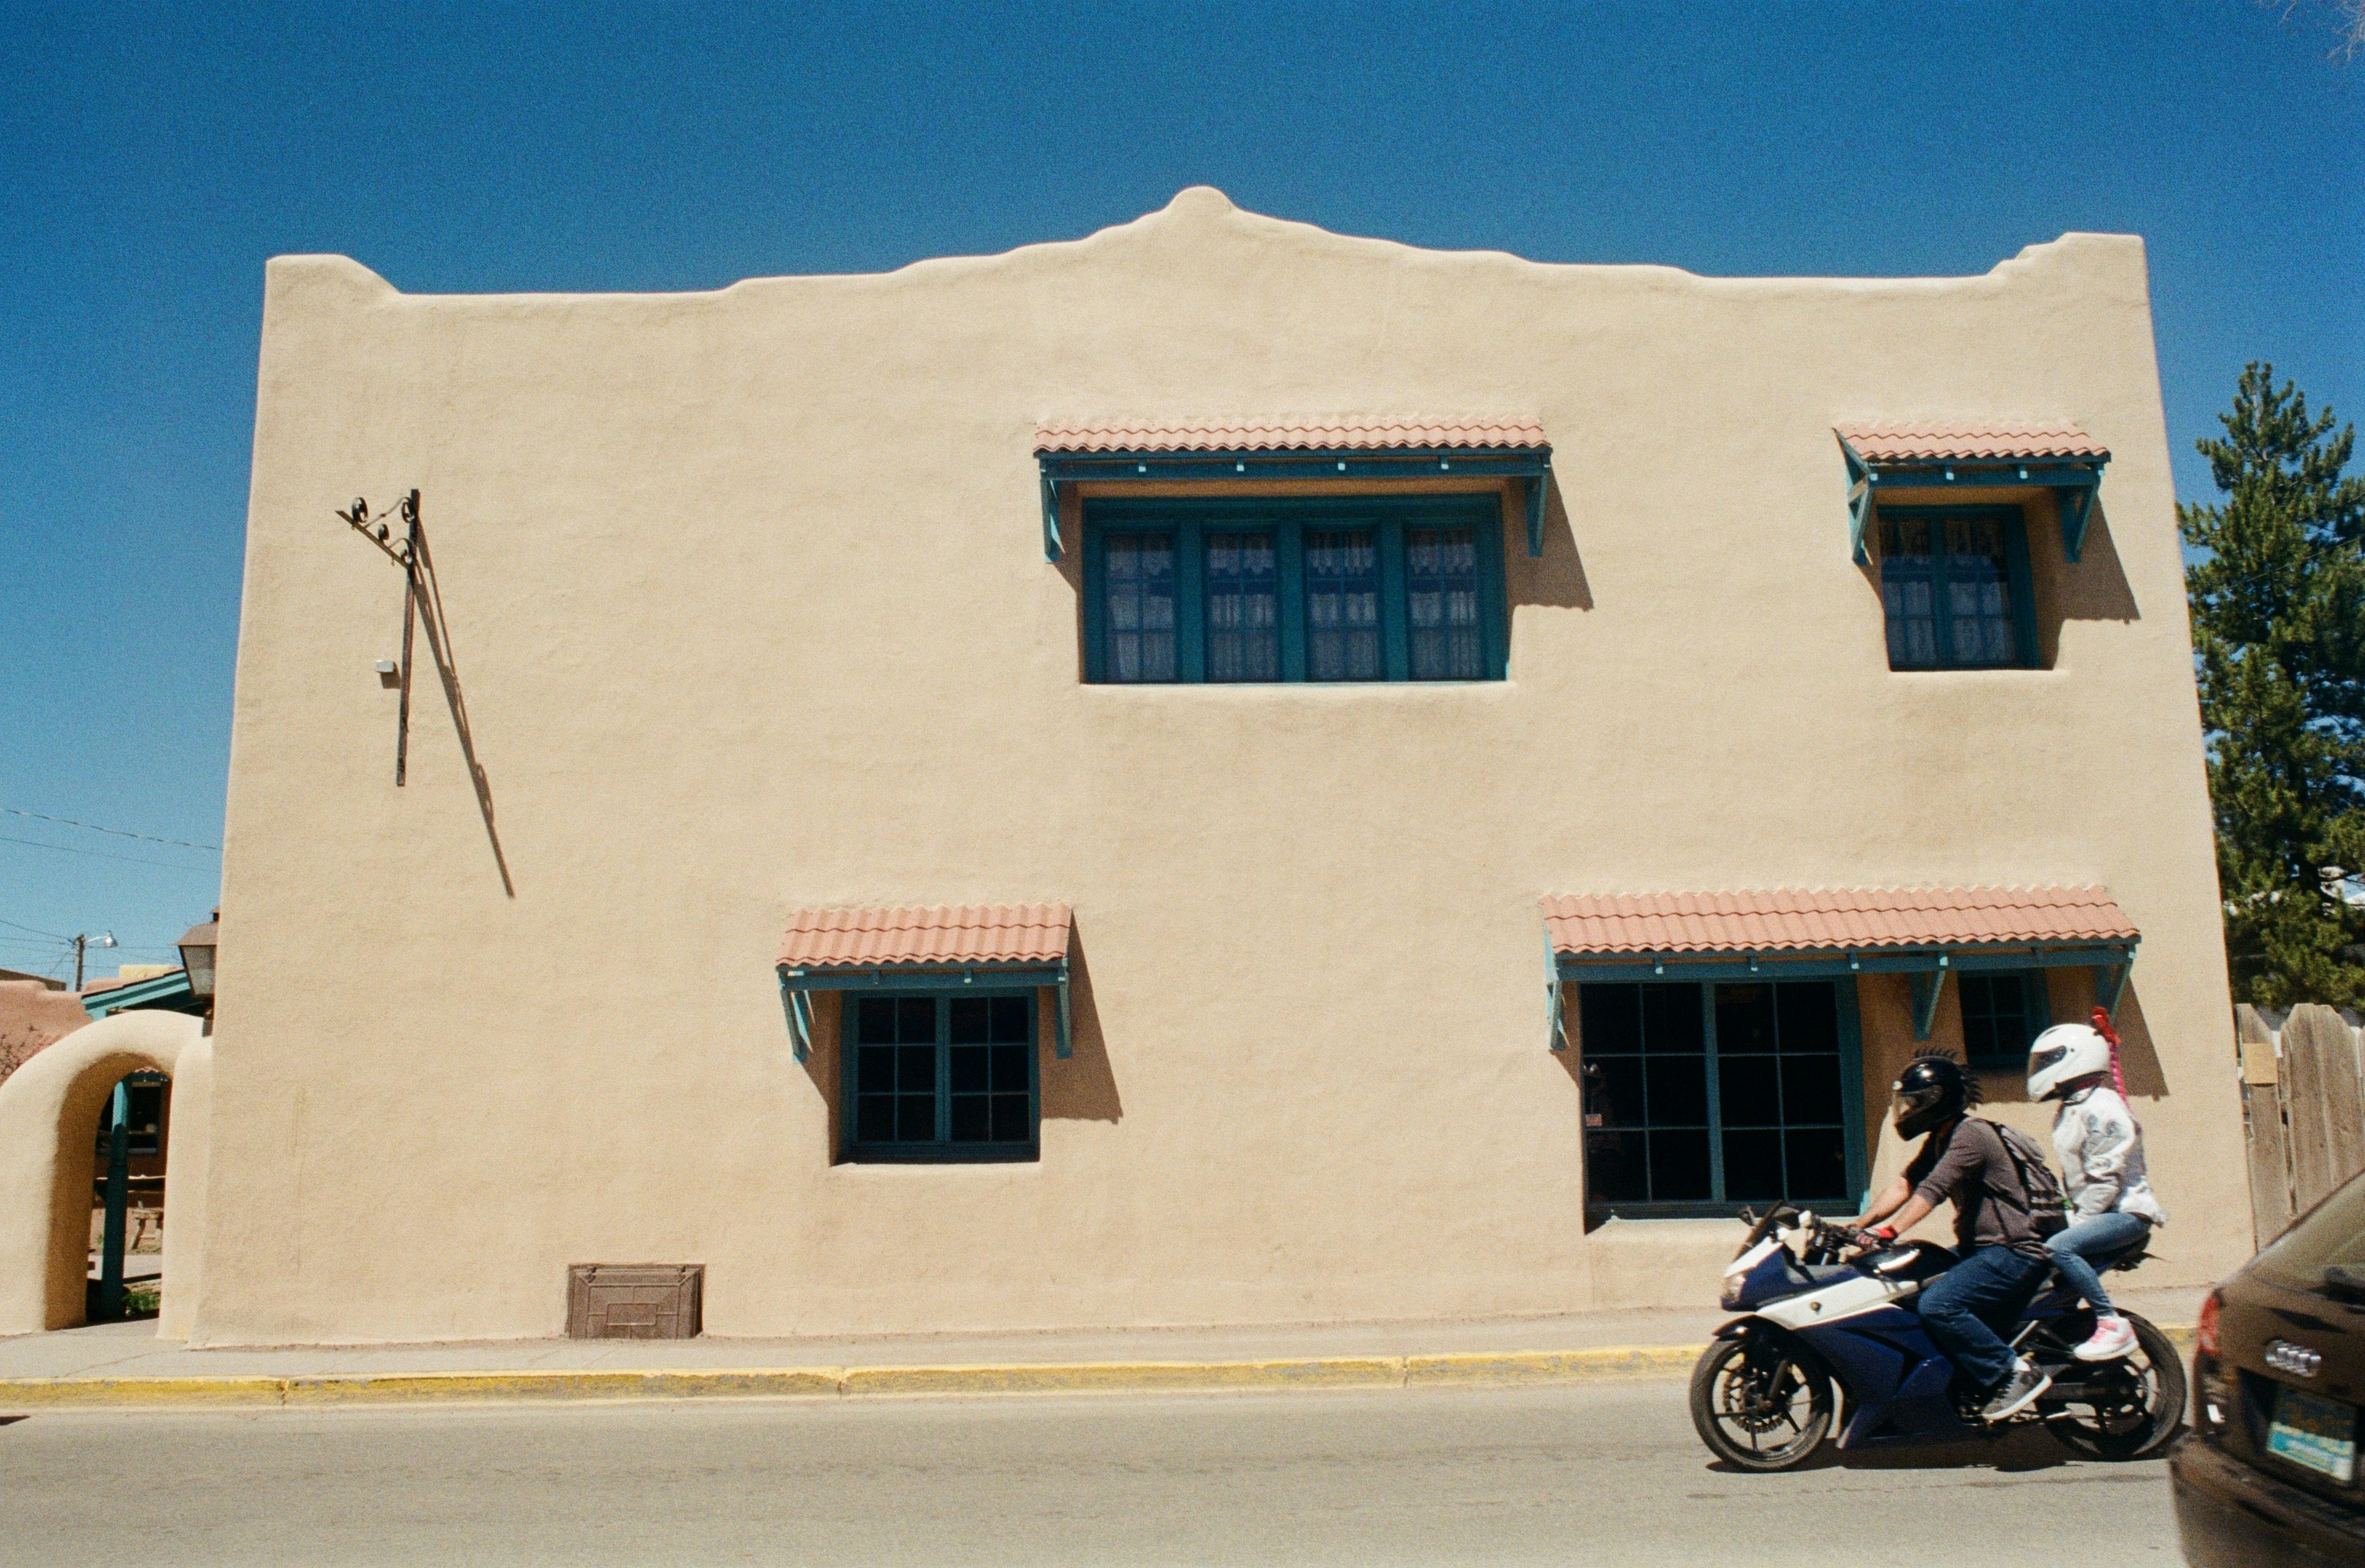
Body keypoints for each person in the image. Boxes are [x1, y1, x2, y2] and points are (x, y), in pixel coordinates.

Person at [1851, 1053, 2055, 1422]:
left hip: (2013, 1251)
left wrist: (1890, 1230)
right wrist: (1860, 1224)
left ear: (1936, 1099)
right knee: (1910, 1291)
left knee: (1939, 1305)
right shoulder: (1940, 1139)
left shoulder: (1971, 1135)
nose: (1908, 1109)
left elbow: (1932, 1190)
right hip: (1979, 1251)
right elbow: (1905, 1183)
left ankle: (2012, 1371)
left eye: (1914, 1101)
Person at [2027, 1011, 2166, 1361]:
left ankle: (2109, 1321)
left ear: (2074, 1057)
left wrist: (2077, 1221)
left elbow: (2106, 1180)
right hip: (2098, 1213)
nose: (2041, 1067)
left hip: (2126, 1213)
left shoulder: (2103, 1107)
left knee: (2061, 1248)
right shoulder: (2073, 1108)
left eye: (2049, 1060)